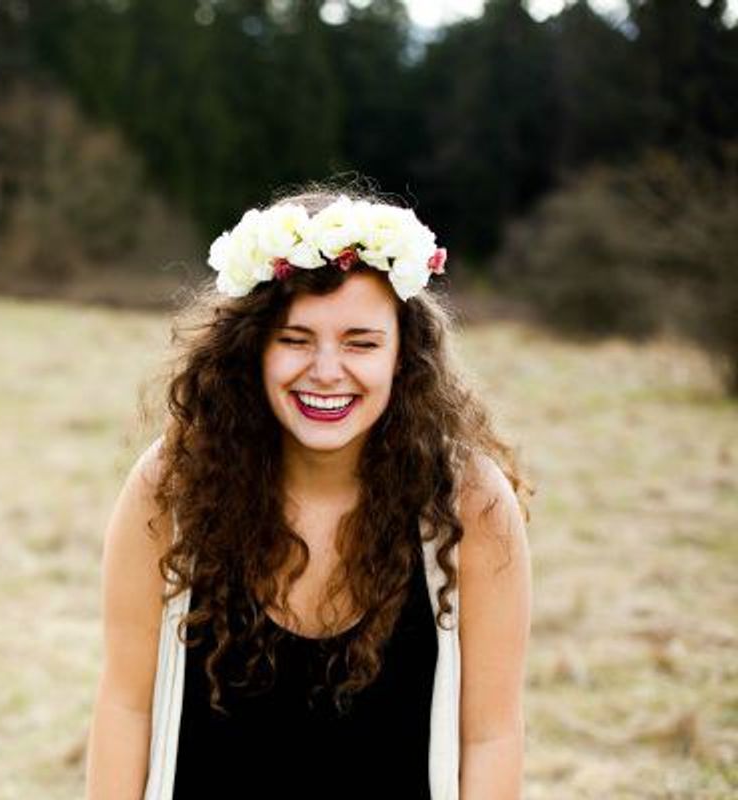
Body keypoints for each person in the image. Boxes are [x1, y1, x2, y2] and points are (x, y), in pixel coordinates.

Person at [85, 186, 533, 799]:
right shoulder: (174, 483)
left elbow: (492, 737)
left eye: (361, 342)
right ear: (252, 350)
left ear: (404, 356)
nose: (326, 370)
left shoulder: (469, 502)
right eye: (295, 339)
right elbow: (125, 708)